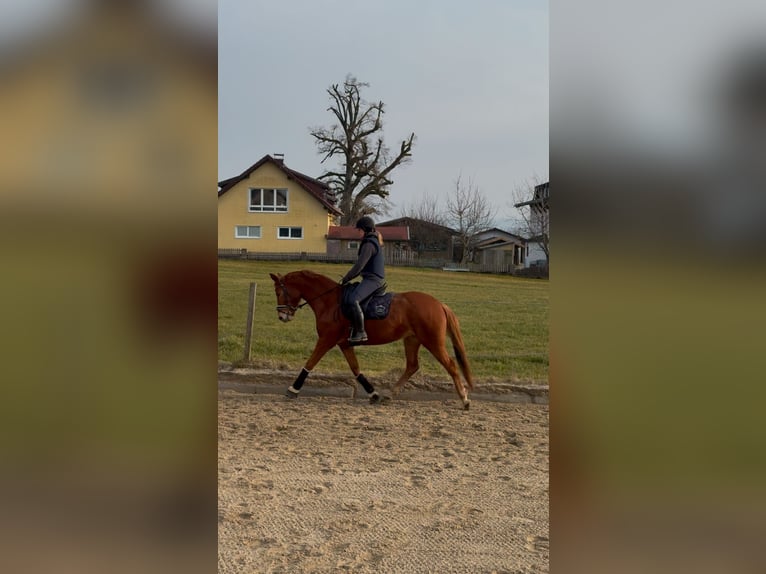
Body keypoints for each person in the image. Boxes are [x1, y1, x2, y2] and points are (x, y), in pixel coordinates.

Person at [340, 216, 386, 343]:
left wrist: (346, 278)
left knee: (353, 299)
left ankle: (361, 332)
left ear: (364, 230)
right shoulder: (371, 241)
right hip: (370, 279)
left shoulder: (369, 244)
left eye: (358, 230)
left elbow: (359, 266)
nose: (357, 232)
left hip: (373, 280)